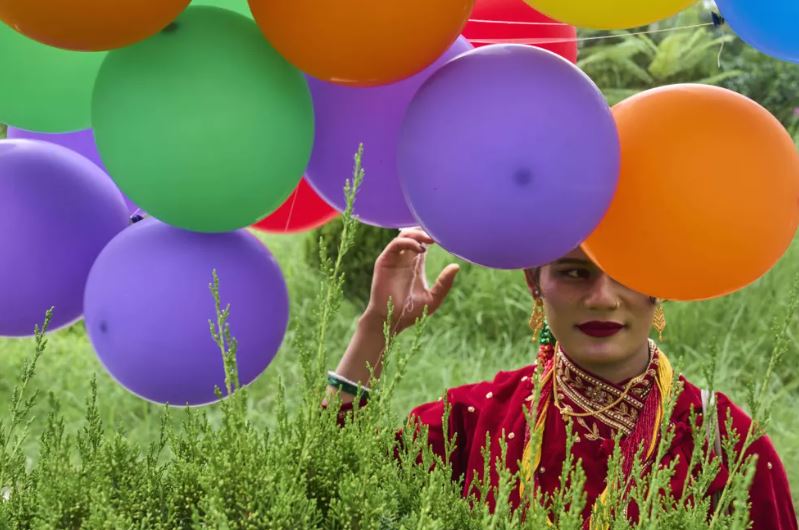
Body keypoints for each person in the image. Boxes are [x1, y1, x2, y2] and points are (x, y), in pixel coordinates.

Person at [323, 227, 797, 529]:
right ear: (535, 283)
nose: (601, 298)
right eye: (574, 272)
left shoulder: (725, 443)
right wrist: (375, 328)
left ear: (660, 283)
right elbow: (334, 484)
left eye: (626, 272)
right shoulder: (478, 419)